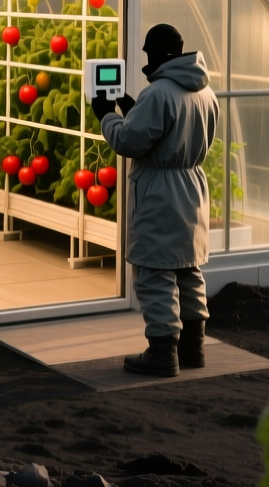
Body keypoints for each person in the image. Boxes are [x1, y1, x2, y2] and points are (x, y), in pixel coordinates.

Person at [90, 23, 216, 377]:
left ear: (155, 53)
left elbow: (128, 142)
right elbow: (172, 131)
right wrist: (135, 110)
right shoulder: (205, 91)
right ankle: (193, 349)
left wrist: (107, 115)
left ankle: (162, 354)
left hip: (160, 192)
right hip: (192, 188)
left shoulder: (157, 93)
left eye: (148, 53)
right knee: (188, 270)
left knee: (155, 273)